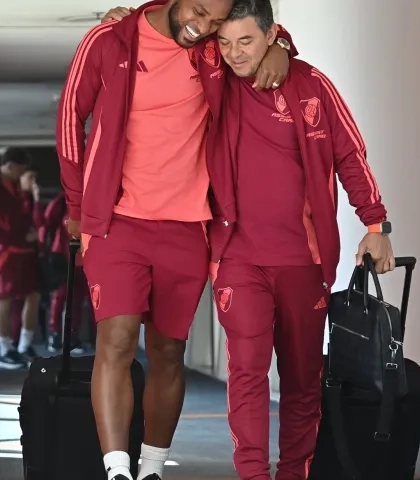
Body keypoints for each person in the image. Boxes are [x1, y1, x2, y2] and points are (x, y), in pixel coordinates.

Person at [57, 2, 296, 479]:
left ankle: (151, 468)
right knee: (117, 340)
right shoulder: (109, 42)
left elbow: (259, 34)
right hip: (117, 221)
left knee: (168, 350)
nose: (204, 27)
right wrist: (78, 206)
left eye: (216, 21)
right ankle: (117, 469)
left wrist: (283, 47)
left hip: (187, 226)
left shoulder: (210, 47)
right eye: (201, 12)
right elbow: (70, 120)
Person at [208, 1, 395, 478]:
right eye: (225, 43)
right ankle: (252, 474)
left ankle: (294, 473)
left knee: (302, 380)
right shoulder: (211, 79)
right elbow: (170, 35)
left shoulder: (310, 84)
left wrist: (375, 226)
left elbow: (349, 154)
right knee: (247, 373)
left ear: (270, 35)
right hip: (236, 257)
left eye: (246, 41)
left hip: (304, 260)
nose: (234, 54)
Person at [0, 148, 45, 369]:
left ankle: (24, 345)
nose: (22, 175)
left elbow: (32, 218)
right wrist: (24, 233)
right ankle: (5, 349)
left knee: (33, 294)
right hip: (5, 251)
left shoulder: (19, 187)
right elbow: (0, 221)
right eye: (21, 170)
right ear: (10, 166)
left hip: (25, 250)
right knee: (4, 298)